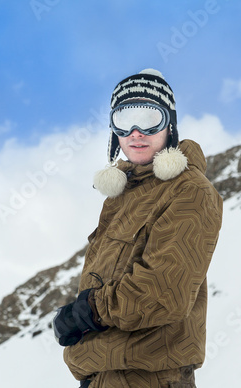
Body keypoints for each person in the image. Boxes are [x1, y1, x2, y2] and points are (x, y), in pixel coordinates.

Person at [53, 68, 223, 387]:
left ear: (169, 124)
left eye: (149, 117)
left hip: (151, 379)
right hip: (105, 376)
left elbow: (163, 293)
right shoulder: (124, 196)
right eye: (124, 119)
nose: (135, 132)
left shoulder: (189, 192)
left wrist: (87, 312)